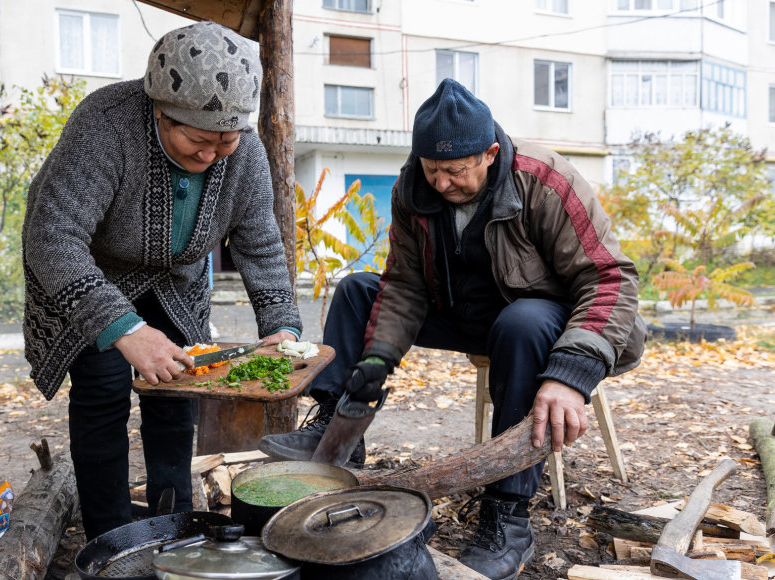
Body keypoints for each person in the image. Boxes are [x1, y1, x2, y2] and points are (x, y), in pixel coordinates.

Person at [259, 78, 646, 579]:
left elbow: (608, 278)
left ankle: (508, 516)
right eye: (431, 169)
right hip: (464, 314)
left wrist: (572, 373)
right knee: (358, 287)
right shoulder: (412, 187)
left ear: (488, 154)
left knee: (522, 321)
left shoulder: (545, 180)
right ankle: (339, 428)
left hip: (545, 321)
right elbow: (404, 284)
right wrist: (377, 358)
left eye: (455, 171)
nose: (441, 184)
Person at [22, 21, 302, 541]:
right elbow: (52, 239)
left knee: (177, 395)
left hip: (176, 281)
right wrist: (125, 329)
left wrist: (281, 326)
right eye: (196, 139)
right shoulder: (105, 125)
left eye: (225, 143)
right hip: (91, 273)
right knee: (104, 391)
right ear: (159, 110)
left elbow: (259, 241)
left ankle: (172, 526)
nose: (209, 155)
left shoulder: (246, 151)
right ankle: (111, 538)